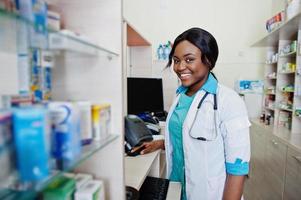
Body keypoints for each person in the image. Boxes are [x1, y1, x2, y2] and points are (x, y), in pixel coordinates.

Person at [132, 27, 250, 200]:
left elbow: (238, 168)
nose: (180, 67)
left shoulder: (229, 101)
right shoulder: (181, 95)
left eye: (189, 59)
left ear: (208, 60)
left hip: (209, 193)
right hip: (177, 188)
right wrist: (161, 143)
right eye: (176, 60)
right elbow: (190, 137)